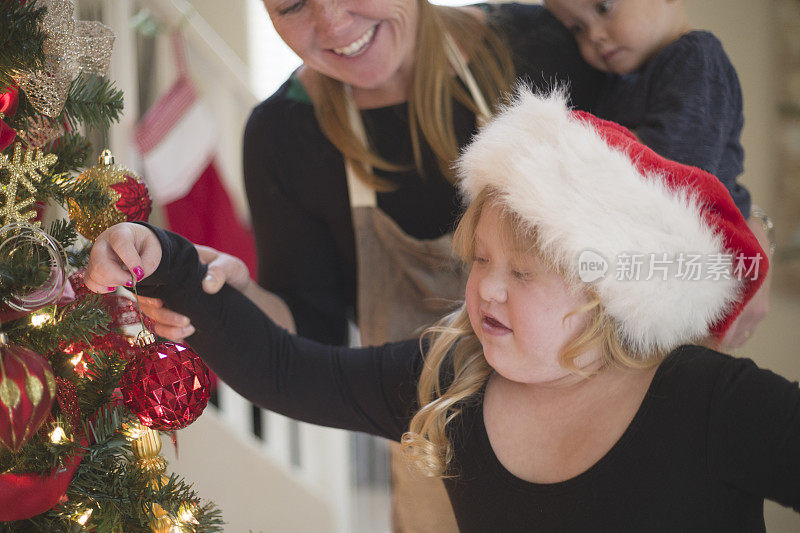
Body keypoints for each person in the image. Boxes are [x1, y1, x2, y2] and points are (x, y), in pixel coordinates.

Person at [85, 89, 798, 532]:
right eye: (480, 258)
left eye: (521, 271)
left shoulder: (711, 400)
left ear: (607, 293)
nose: (487, 287)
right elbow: (283, 371)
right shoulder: (450, 376)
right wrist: (167, 260)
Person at [139, 2, 605, 530]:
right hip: (440, 484)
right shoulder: (284, 134)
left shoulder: (535, 48)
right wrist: (243, 299)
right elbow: (311, 336)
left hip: (594, 449)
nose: (334, 24)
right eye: (292, 4)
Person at [542, 0, 773, 349]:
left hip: (701, 254)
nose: (594, 36)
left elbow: (676, 167)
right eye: (576, 27)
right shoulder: (624, 77)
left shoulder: (696, 59)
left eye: (604, 8)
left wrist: (578, 145)